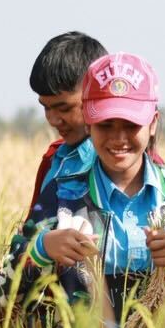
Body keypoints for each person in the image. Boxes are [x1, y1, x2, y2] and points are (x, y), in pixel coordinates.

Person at [1, 51, 165, 325]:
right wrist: (41, 249)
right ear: (89, 123)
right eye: (105, 125)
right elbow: (2, 295)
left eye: (131, 125)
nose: (118, 138)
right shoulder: (61, 196)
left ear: (153, 123)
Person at [27, 32, 108, 210]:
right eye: (46, 108)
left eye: (64, 108)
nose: (53, 120)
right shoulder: (53, 159)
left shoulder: (132, 159)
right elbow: (32, 230)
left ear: (98, 97)